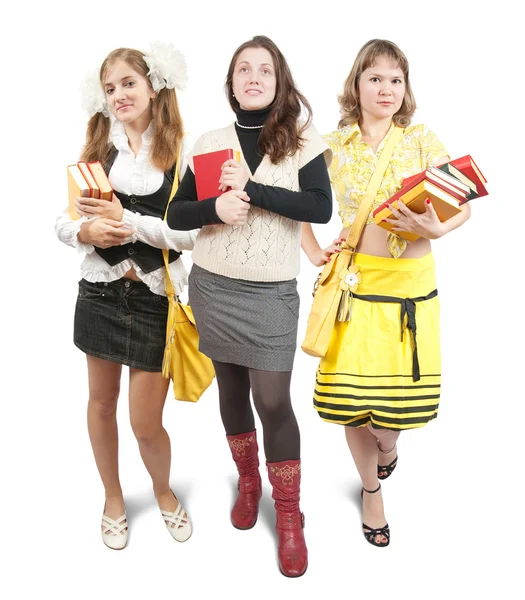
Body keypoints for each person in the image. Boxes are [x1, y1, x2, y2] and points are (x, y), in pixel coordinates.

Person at [162, 35, 332, 577]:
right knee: (232, 391)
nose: (253, 77)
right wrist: (214, 206)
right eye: (243, 69)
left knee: (274, 401)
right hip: (213, 287)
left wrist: (253, 191)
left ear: (279, 80)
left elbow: (319, 208)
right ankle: (249, 481)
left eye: (264, 69)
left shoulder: (302, 141)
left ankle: (288, 515)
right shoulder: (211, 141)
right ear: (232, 82)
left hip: (271, 292)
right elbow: (179, 216)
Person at [301, 39, 471, 547]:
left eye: (396, 79)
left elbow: (462, 204)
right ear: (357, 84)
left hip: (411, 293)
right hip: (355, 287)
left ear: (406, 87)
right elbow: (290, 201)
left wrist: (438, 228)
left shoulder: (422, 139)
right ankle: (371, 489)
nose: (387, 88)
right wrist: (312, 250)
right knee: (352, 402)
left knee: (392, 416)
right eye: (375, 77)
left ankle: (389, 447)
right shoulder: (332, 146)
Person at [55, 43, 196, 550]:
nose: (118, 95)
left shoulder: (182, 151)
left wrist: (127, 221)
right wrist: (87, 232)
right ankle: (113, 497)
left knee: (145, 422)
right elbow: (63, 221)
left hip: (156, 297)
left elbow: (191, 235)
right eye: (110, 87)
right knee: (99, 403)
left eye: (128, 83)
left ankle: (162, 489)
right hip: (100, 292)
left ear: (153, 85)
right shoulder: (98, 151)